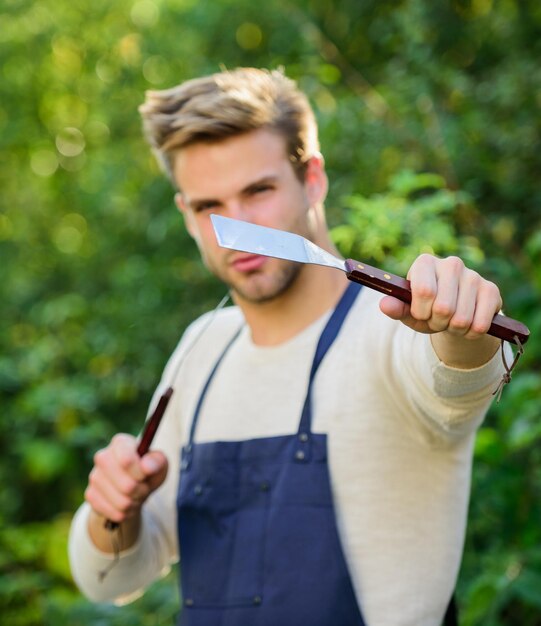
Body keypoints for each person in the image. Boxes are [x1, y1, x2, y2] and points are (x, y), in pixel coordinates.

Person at [69, 67, 510, 626]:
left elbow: (460, 381)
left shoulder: (393, 328)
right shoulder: (202, 349)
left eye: (259, 190)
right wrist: (113, 512)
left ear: (314, 180)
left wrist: (461, 325)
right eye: (210, 206)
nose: (239, 225)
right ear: (186, 215)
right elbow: (111, 579)